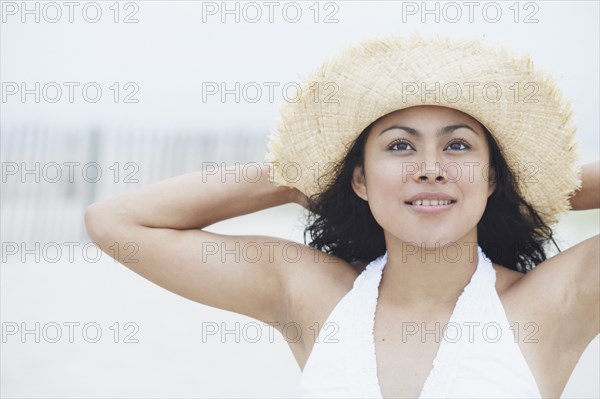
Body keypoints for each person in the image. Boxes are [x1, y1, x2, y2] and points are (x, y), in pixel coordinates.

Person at [84, 34, 599, 398]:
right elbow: (117, 223)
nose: (430, 169)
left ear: (491, 178)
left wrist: (546, 192)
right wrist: (293, 177)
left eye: (458, 147)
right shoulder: (313, 294)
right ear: (360, 179)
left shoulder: (553, 304)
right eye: (400, 147)